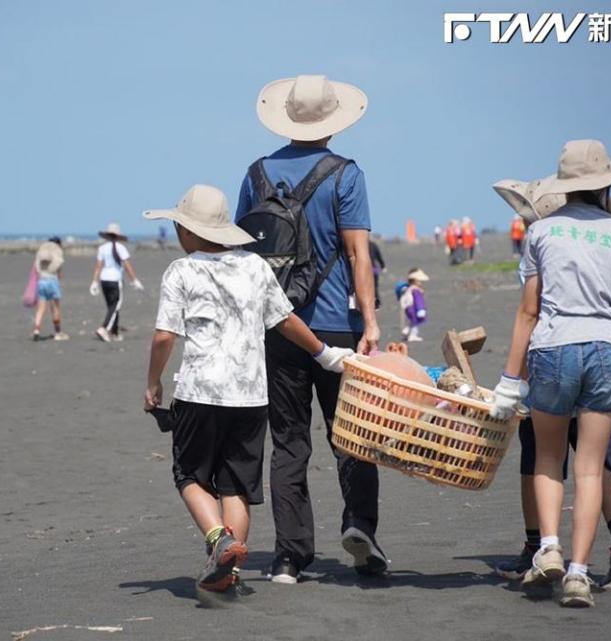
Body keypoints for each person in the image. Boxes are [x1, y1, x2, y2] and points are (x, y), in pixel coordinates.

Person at [142, 184, 355, 593]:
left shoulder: (182, 271)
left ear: (188, 232)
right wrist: (324, 353)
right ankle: (230, 572)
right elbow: (285, 320)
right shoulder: (255, 267)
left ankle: (219, 541)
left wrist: (153, 382)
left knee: (189, 474)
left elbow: (164, 336)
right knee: (235, 485)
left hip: (200, 391)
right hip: (252, 396)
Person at [234, 75, 383, 584]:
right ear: (333, 121)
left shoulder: (256, 173)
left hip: (276, 326)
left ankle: (287, 557)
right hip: (335, 327)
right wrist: (370, 320)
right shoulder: (346, 175)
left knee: (290, 441)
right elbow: (359, 254)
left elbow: (242, 254)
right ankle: (360, 526)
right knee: (352, 434)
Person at [490, 140, 611, 608]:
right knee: (591, 467)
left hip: (554, 348)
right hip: (607, 350)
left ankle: (549, 549)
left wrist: (508, 380)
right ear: (605, 183)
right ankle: (579, 574)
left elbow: (528, 311)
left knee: (547, 458)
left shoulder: (542, 232)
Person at [89, 223, 143, 342]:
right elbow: (127, 265)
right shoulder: (120, 248)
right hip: (115, 279)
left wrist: (94, 281)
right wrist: (134, 280)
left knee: (111, 306)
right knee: (115, 306)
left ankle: (114, 332)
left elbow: (98, 266)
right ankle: (103, 328)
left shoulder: (102, 248)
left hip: (104, 280)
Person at [33, 237, 69, 341]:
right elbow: (59, 273)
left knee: (40, 309)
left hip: (41, 281)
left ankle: (36, 330)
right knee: (55, 309)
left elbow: (37, 269)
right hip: (52, 281)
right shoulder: (57, 256)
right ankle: (58, 332)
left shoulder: (42, 256)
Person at [398, 268, 429, 342]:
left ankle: (406, 331)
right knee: (415, 323)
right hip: (414, 309)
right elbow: (419, 301)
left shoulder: (409, 289)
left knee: (411, 322)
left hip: (409, 308)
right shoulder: (416, 290)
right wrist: (421, 309)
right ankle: (412, 335)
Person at [368, 236, 385, 309]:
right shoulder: (373, 245)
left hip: (366, 270)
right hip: (374, 269)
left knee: (367, 287)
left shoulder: (362, 245)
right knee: (375, 286)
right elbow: (379, 257)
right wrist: (383, 266)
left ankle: (371, 302)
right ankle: (377, 303)